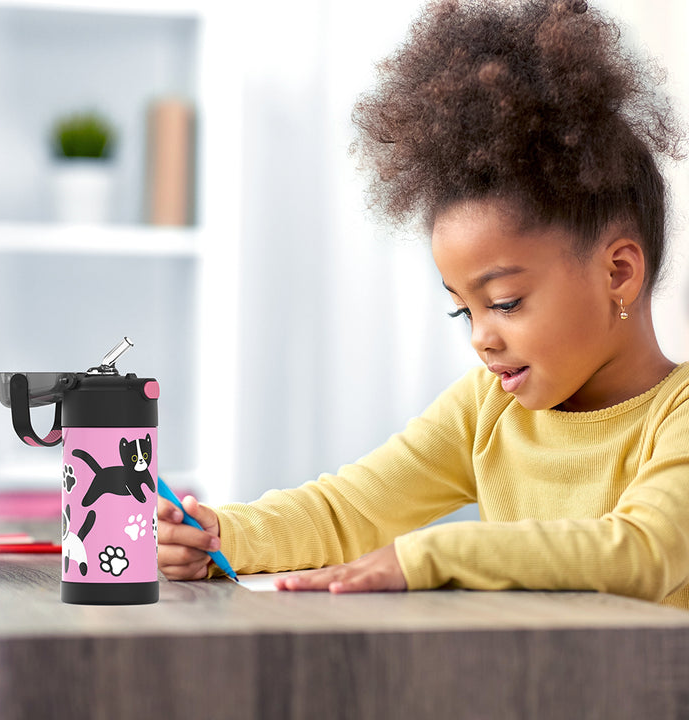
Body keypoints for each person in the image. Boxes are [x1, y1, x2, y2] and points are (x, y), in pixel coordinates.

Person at [158, 0, 689, 608]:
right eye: (465, 310)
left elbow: (644, 553)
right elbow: (351, 509)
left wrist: (433, 554)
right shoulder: (486, 411)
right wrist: (222, 535)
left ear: (618, 273)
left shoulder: (678, 416)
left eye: (506, 302)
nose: (481, 338)